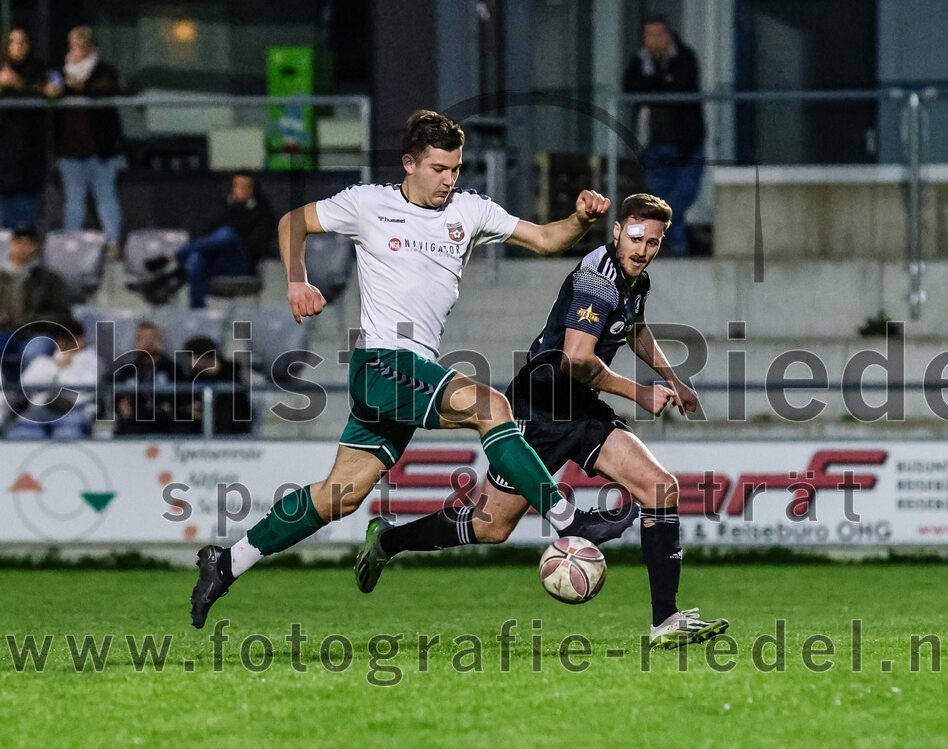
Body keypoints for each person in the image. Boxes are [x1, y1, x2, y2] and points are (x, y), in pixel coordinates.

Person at [190, 109, 613, 628]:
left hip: (409, 375)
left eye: (456, 169)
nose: (449, 179)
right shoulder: (370, 203)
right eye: (439, 168)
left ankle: (227, 563)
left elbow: (548, 240)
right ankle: (570, 520)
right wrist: (296, 280)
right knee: (492, 406)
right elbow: (292, 221)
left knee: (340, 496)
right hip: (382, 363)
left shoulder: (470, 211)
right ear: (410, 163)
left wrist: (581, 220)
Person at [356, 194, 729, 648]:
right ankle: (387, 542)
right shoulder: (598, 281)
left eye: (653, 241)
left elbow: (633, 328)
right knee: (490, 526)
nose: (642, 248)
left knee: (661, 487)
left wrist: (672, 378)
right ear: (616, 232)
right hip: (538, 409)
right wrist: (640, 393)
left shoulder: (636, 280)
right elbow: (575, 359)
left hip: (582, 407)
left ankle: (664, 621)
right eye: (635, 237)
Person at [623, 15, 705, 256]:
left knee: (675, 202)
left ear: (669, 35)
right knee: (659, 201)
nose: (653, 41)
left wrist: (654, 84)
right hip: (654, 147)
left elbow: (679, 86)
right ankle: (676, 250)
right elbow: (631, 87)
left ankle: (671, 247)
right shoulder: (639, 61)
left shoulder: (685, 57)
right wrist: (658, 82)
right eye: (649, 36)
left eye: (658, 35)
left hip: (686, 146)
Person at [49, 26, 124, 257]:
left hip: (101, 150)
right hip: (70, 151)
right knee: (74, 201)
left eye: (83, 45)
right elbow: (49, 92)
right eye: (74, 45)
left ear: (91, 46)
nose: (78, 50)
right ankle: (72, 243)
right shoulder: (59, 73)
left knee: (106, 197)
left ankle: (112, 243)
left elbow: (107, 89)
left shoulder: (104, 71)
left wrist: (80, 87)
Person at [176, 172, 275, 308]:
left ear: (253, 189)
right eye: (237, 186)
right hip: (216, 261)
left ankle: (178, 255)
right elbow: (202, 232)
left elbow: (257, 246)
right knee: (196, 258)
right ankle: (197, 312)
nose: (240, 190)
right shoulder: (221, 208)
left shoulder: (262, 212)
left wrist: (232, 242)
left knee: (227, 233)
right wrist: (230, 208)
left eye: (245, 187)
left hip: (241, 263)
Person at [2, 318, 98, 439]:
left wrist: (62, 372)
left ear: (80, 340)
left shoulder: (91, 361)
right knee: (19, 434)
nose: (64, 344)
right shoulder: (44, 362)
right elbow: (26, 384)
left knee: (67, 436)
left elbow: (83, 390)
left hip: (72, 412)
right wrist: (56, 367)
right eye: (61, 339)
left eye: (69, 340)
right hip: (39, 411)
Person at [0, 227, 73, 381]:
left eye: (24, 243)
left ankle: (29, 398)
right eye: (15, 242)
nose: (18, 247)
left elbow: (63, 315)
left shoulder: (49, 279)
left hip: (36, 333)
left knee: (37, 349)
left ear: (33, 246)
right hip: (4, 331)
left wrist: (33, 319)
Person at [0, 29, 49, 230]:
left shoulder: (39, 71)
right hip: (3, 157)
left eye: (22, 42)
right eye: (13, 42)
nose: (18, 47)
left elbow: (52, 91)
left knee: (24, 226)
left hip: (28, 156)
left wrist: (18, 84)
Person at [111, 321, 181, 436]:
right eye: (141, 338)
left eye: (151, 337)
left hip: (165, 426)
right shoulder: (127, 370)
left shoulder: (172, 370)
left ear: (160, 341)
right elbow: (116, 398)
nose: (147, 342)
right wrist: (120, 405)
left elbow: (183, 401)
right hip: (132, 426)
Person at [178, 335, 252, 435]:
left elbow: (241, 408)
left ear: (203, 357)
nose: (189, 360)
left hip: (231, 430)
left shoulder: (232, 375)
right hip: (200, 429)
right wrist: (190, 409)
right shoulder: (191, 377)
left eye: (192, 356)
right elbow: (185, 402)